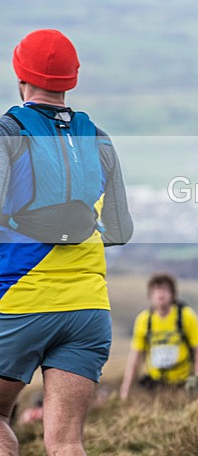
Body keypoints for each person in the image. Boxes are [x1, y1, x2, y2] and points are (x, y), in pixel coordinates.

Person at [0, 29, 134, 455]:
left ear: (20, 74)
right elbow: (119, 230)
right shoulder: (99, 138)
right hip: (87, 309)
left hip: (17, 301)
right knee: (67, 442)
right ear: (71, 80)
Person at [119, 273, 198, 400]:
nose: (160, 295)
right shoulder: (143, 320)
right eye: (156, 291)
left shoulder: (186, 316)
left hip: (183, 382)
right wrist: (125, 391)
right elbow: (135, 357)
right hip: (155, 385)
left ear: (173, 294)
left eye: (165, 290)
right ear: (150, 295)